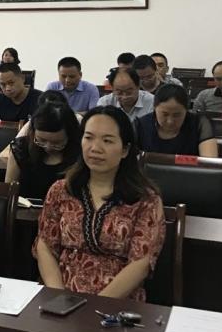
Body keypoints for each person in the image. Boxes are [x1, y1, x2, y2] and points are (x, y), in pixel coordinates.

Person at [34, 106, 165, 301]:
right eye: (88, 138)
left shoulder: (145, 200)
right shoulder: (61, 190)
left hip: (116, 303)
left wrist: (96, 305)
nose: (95, 148)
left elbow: (141, 263)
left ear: (125, 149)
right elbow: (45, 245)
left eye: (107, 140)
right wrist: (59, 297)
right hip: (61, 296)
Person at [6, 99, 82, 201]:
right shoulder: (21, 148)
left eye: (57, 143)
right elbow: (9, 190)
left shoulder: (80, 152)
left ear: (70, 136)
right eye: (41, 140)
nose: (48, 147)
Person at [136, 84, 218, 157]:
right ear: (154, 108)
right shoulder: (141, 125)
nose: (170, 121)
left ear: (186, 110)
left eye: (177, 115)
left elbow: (209, 164)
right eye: (165, 114)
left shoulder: (199, 124)